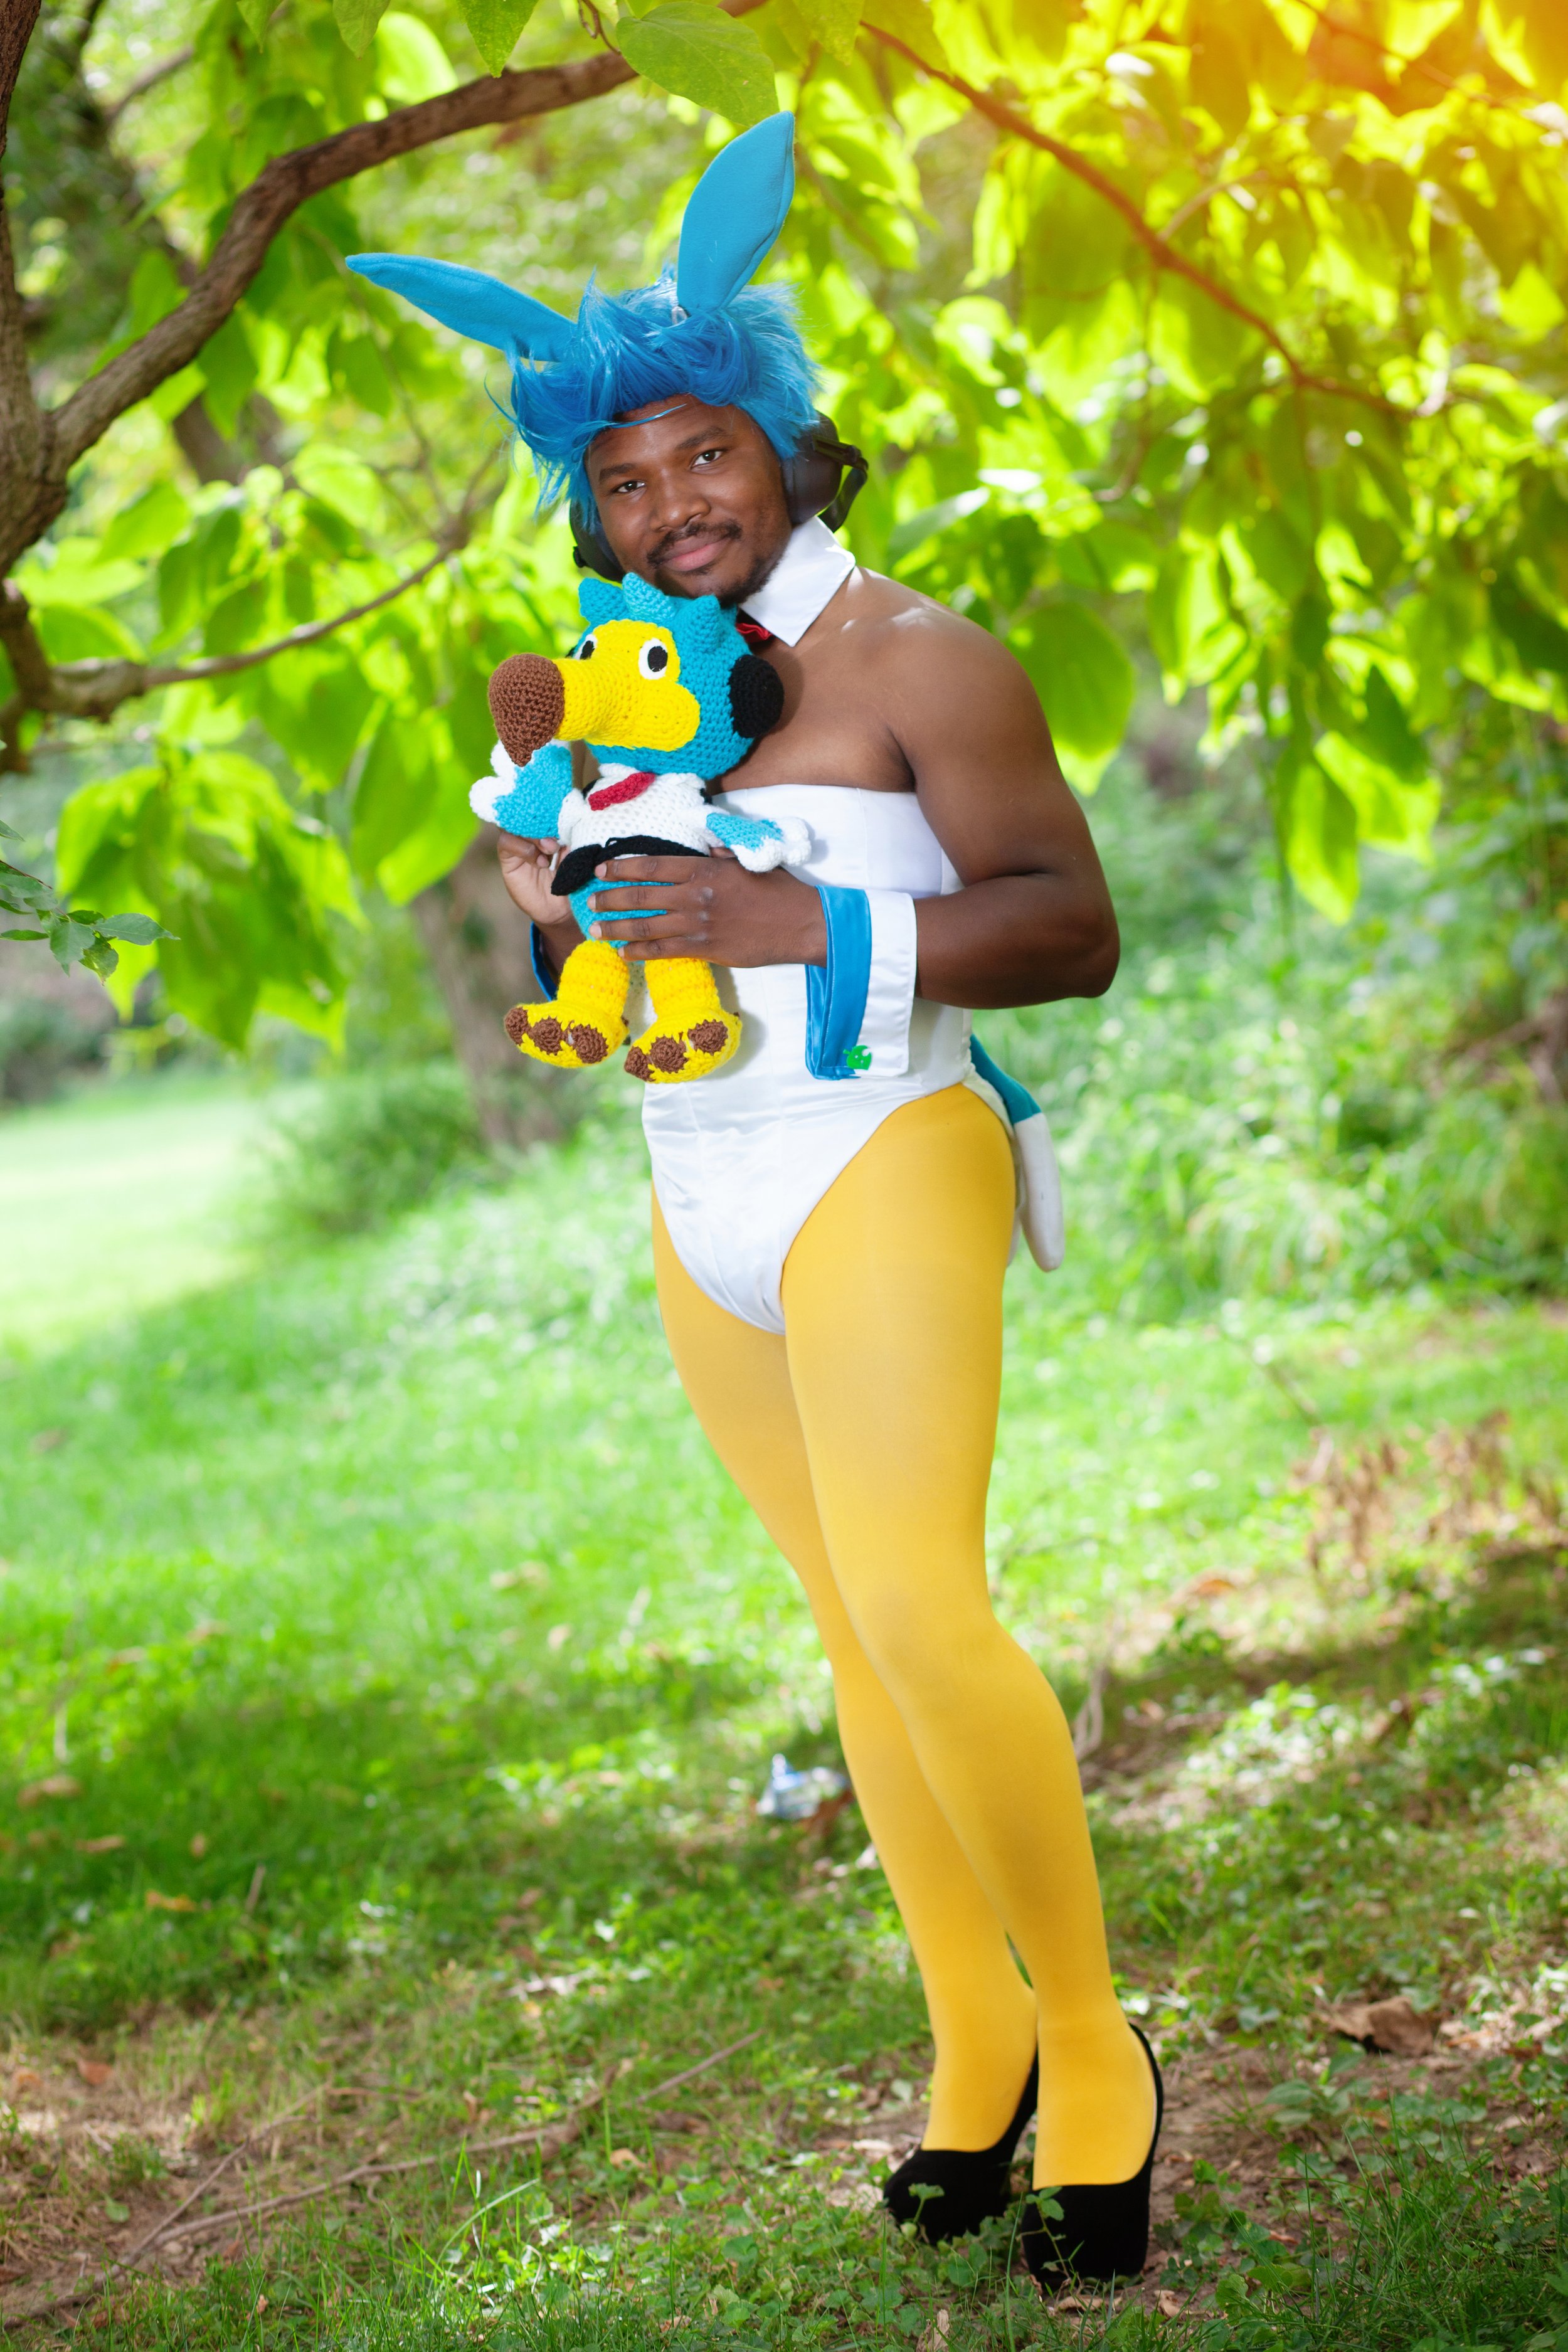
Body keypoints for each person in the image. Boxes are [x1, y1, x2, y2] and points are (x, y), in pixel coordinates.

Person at [347, 113, 1160, 2291]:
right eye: (622, 483)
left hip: (887, 1153)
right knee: (847, 1633)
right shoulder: (633, 702)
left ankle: (1095, 2045)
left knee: (920, 1607)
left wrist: (793, 925)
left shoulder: (922, 660)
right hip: (697, 1200)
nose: (669, 507)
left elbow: (1069, 929)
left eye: (704, 457)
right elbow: (611, 958)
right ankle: (973, 2037)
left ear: (790, 451)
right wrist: (553, 897)